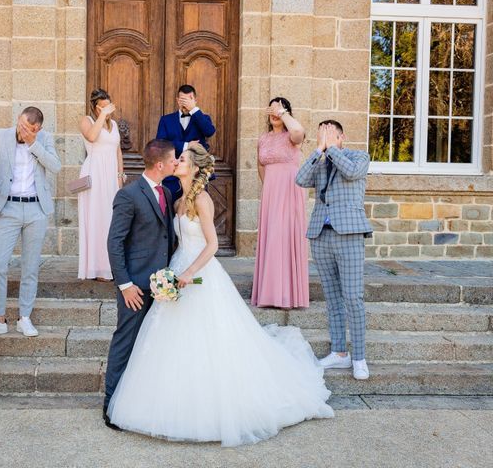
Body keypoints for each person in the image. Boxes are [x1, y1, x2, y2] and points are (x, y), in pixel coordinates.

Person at [107, 142, 333, 447]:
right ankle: (144, 401)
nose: (177, 162)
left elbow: (211, 246)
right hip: (171, 274)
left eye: (182, 159)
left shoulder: (202, 199)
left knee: (209, 341)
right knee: (163, 340)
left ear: (195, 167)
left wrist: (188, 274)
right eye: (176, 159)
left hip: (198, 276)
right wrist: (157, 277)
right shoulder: (175, 198)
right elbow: (144, 240)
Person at [103, 139, 178, 430]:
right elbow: (115, 242)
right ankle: (110, 406)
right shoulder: (129, 195)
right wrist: (124, 284)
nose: (176, 163)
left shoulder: (168, 193)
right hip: (134, 286)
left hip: (161, 286)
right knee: (126, 342)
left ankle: (141, 404)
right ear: (160, 164)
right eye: (173, 160)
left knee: (151, 345)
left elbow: (165, 237)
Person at [296, 120, 373, 381]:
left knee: (353, 297)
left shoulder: (358, 156)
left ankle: (359, 357)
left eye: (330, 134)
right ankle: (339, 353)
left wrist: (333, 150)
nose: (326, 139)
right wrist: (318, 150)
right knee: (332, 298)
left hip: (349, 234)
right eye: (322, 134)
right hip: (321, 235)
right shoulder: (320, 160)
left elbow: (351, 172)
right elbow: (300, 179)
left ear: (341, 137)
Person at [0, 106, 62, 337]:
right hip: (8, 207)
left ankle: (24, 317)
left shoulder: (44, 138)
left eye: (32, 129)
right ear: (18, 119)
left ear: (39, 128)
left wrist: (34, 143)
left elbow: (56, 166)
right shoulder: (1, 136)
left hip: (36, 208)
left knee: (30, 265)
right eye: (24, 126)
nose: (26, 131)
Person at [252, 97, 309, 309]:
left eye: (279, 108)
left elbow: (298, 130)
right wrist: (269, 189)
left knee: (284, 235)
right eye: (272, 108)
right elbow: (261, 166)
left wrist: (283, 113)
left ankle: (287, 295)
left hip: (290, 190)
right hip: (271, 192)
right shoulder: (263, 138)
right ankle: (269, 293)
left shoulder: (292, 136)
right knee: (271, 237)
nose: (274, 112)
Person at [78, 89, 125, 281]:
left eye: (109, 106)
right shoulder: (86, 121)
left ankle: (111, 265)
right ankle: (97, 269)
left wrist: (120, 175)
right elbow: (91, 137)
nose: (107, 110)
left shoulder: (113, 124)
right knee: (96, 219)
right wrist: (101, 116)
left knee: (111, 220)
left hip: (111, 176)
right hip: (94, 175)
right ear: (95, 107)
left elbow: (118, 151)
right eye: (102, 107)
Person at [156, 84, 216, 201]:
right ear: (177, 100)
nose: (184, 103)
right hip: (171, 176)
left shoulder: (203, 118)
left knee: (196, 211)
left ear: (195, 100)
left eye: (188, 99)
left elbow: (209, 131)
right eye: (182, 100)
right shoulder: (166, 120)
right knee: (171, 212)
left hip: (196, 177)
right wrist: (186, 145)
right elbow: (161, 144)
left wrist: (194, 109)